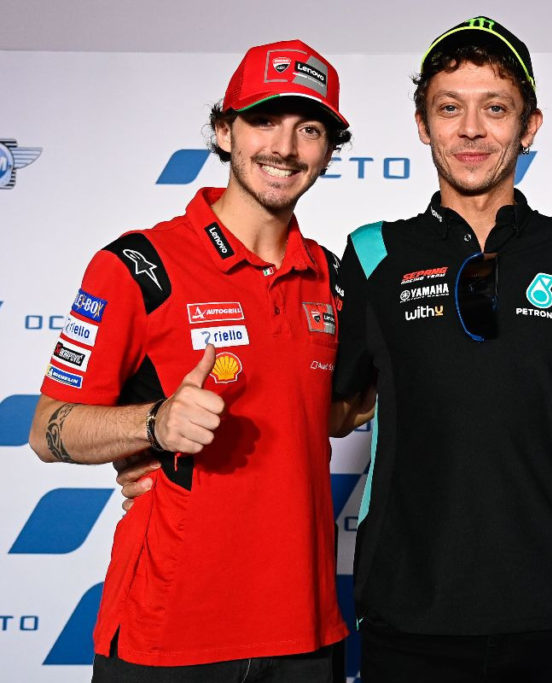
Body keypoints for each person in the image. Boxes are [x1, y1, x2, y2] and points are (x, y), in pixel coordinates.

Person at [27, 40, 364, 680]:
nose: (284, 147)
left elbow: (342, 410)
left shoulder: (335, 278)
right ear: (223, 129)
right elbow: (48, 429)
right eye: (264, 119)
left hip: (305, 631)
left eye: (309, 128)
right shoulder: (136, 266)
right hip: (168, 633)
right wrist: (153, 423)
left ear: (327, 149)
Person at [330, 16, 552, 682]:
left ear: (529, 126)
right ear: (423, 123)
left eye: (495, 108)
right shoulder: (371, 253)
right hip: (409, 610)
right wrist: (163, 443)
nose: (471, 129)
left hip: (548, 607)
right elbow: (332, 409)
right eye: (450, 108)